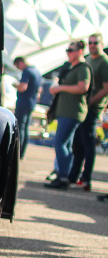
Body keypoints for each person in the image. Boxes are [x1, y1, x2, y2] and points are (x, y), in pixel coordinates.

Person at [45, 40, 91, 190]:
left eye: (71, 50)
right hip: (66, 111)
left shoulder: (83, 68)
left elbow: (83, 88)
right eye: (68, 50)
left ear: (80, 51)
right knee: (66, 144)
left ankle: (63, 176)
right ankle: (65, 175)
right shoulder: (71, 67)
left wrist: (60, 88)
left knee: (60, 143)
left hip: (72, 112)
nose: (68, 53)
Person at [67, 33, 108, 191]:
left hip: (92, 108)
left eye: (95, 43)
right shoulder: (89, 59)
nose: (92, 45)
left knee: (88, 143)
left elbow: (106, 88)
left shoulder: (104, 62)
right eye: (90, 43)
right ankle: (73, 175)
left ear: (102, 43)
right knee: (78, 142)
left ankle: (86, 179)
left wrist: (91, 101)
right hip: (82, 107)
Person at [13, 56, 42, 159]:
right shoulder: (37, 71)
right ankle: (22, 153)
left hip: (23, 102)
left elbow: (23, 87)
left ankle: (17, 152)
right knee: (25, 128)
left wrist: (15, 85)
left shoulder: (27, 71)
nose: (18, 69)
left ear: (20, 62)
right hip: (31, 102)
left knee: (20, 127)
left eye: (17, 66)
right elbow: (40, 90)